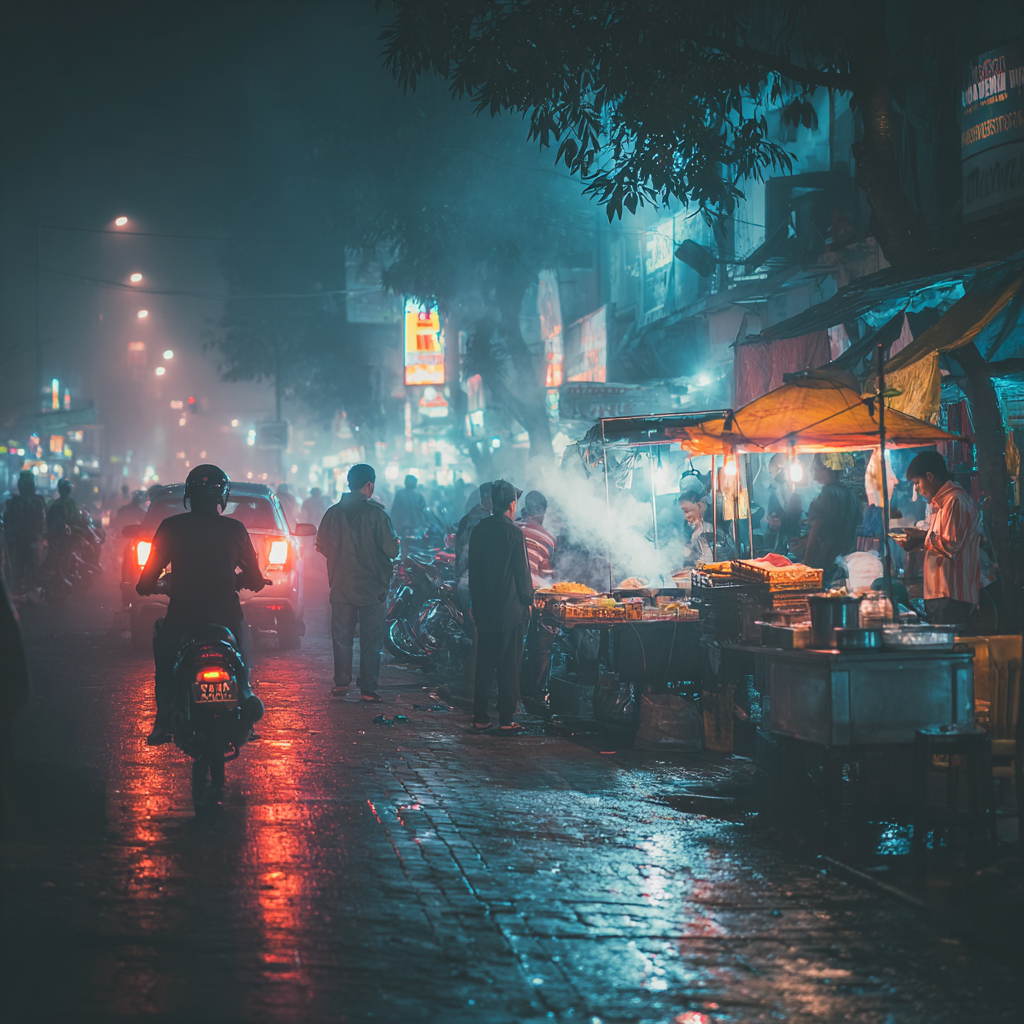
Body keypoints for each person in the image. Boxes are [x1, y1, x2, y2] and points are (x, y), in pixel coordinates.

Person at [136, 465, 267, 745]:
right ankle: (245, 696)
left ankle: (163, 719)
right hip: (225, 616)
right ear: (223, 497)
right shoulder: (235, 529)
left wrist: (152, 585)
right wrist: (243, 581)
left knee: (164, 651)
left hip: (183, 617)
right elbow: (255, 578)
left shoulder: (171, 527)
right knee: (242, 645)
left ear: (189, 495)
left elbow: (147, 578)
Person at [316, 464, 400, 701]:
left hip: (341, 585)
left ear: (348, 484)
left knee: (342, 638)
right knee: (371, 640)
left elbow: (321, 545)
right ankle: (368, 689)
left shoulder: (332, 513)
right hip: (373, 589)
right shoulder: (377, 515)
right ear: (369, 485)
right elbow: (391, 549)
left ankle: (342, 683)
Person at [468, 479, 533, 733]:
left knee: (484, 662)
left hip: (484, 607)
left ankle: (480, 716)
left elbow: (473, 571)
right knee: (508, 664)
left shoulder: (479, 530)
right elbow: (521, 572)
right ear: (512, 503)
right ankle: (506, 719)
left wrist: (473, 603)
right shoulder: (513, 533)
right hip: (510, 610)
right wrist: (529, 600)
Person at [899, 451, 980, 627]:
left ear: (929, 476)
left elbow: (950, 543)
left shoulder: (954, 500)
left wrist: (924, 536)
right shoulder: (939, 503)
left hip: (951, 593)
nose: (917, 489)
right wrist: (917, 541)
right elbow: (938, 540)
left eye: (917, 482)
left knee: (948, 646)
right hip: (939, 592)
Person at [517, 491, 557, 703]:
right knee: (541, 646)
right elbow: (545, 573)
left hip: (507, 594)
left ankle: (510, 689)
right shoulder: (548, 538)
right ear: (543, 511)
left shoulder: (512, 527)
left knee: (513, 645)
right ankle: (535, 693)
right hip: (533, 594)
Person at [803, 454, 859, 585]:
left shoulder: (827, 494)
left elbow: (816, 529)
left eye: (815, 468)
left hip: (827, 562)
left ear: (827, 468)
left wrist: (806, 564)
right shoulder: (850, 495)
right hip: (846, 561)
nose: (813, 472)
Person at [3, 471, 46, 595]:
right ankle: (23, 590)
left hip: (24, 540)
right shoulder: (16, 501)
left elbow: (43, 521)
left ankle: (24, 589)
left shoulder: (16, 501)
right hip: (25, 540)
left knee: (24, 567)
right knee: (25, 566)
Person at [390, 474, 427, 538]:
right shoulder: (419, 496)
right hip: (415, 525)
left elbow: (395, 511)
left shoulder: (399, 494)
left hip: (403, 526)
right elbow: (424, 512)